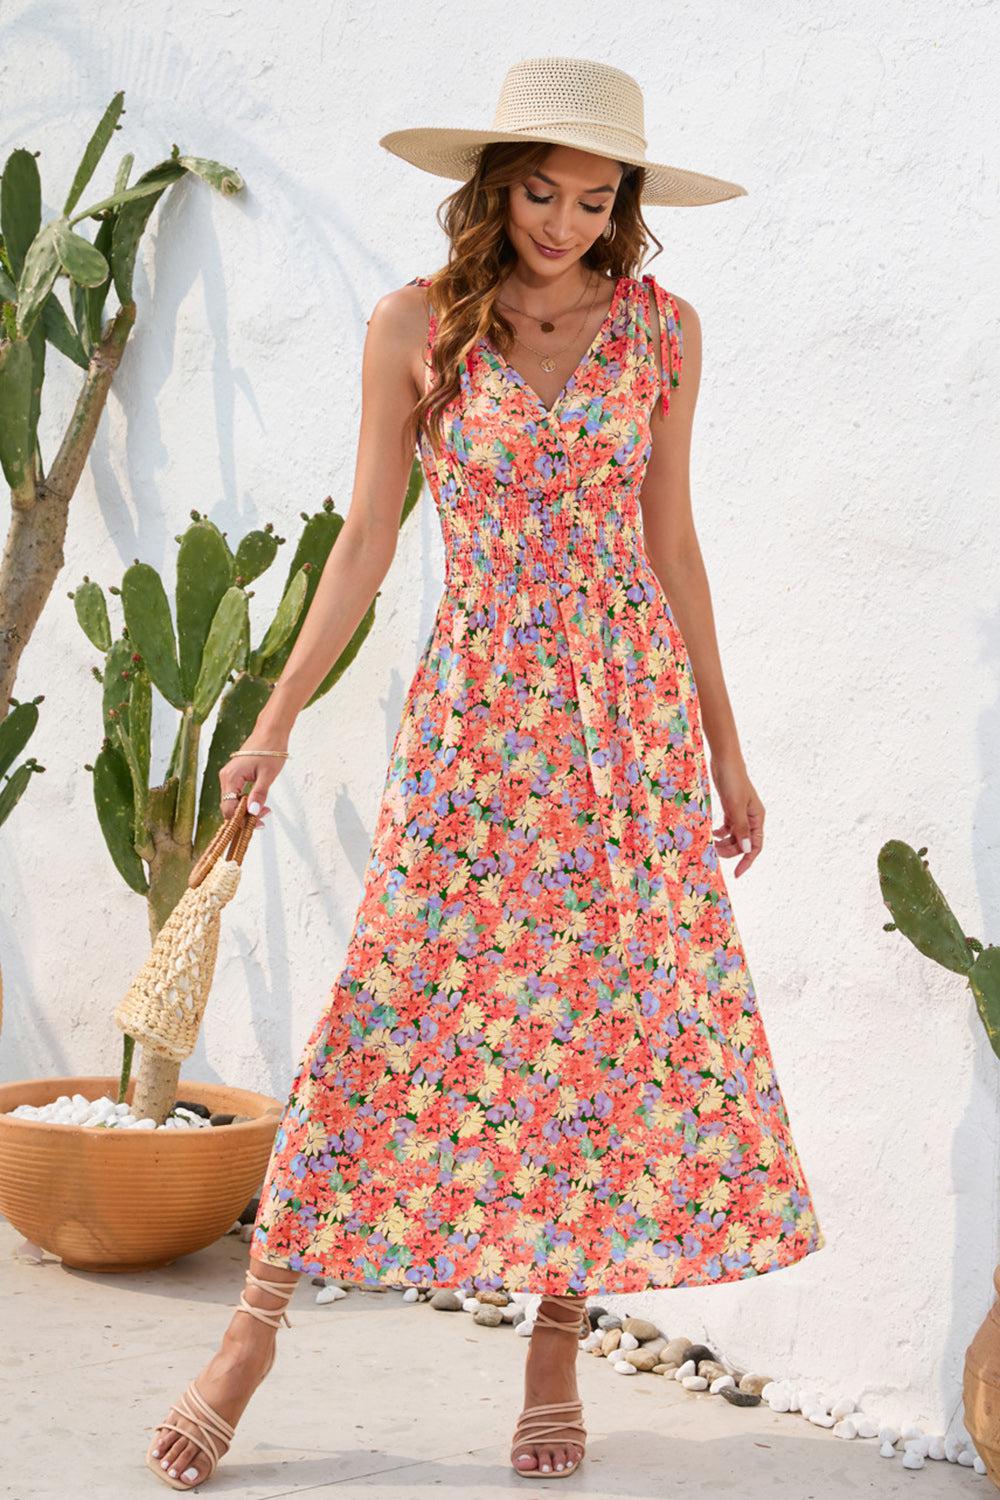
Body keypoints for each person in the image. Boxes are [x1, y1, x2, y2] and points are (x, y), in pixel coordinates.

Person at [145, 55, 825, 1491]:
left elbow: (674, 543)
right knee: (396, 990)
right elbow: (366, 542)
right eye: (540, 191)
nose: (566, 221)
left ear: (624, 203)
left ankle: (554, 1346)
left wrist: (724, 739)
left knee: (599, 1028)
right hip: (481, 707)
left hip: (626, 717)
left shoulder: (666, 332)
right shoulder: (418, 322)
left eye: (595, 198)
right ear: (494, 186)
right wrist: (267, 723)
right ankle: (252, 1334)